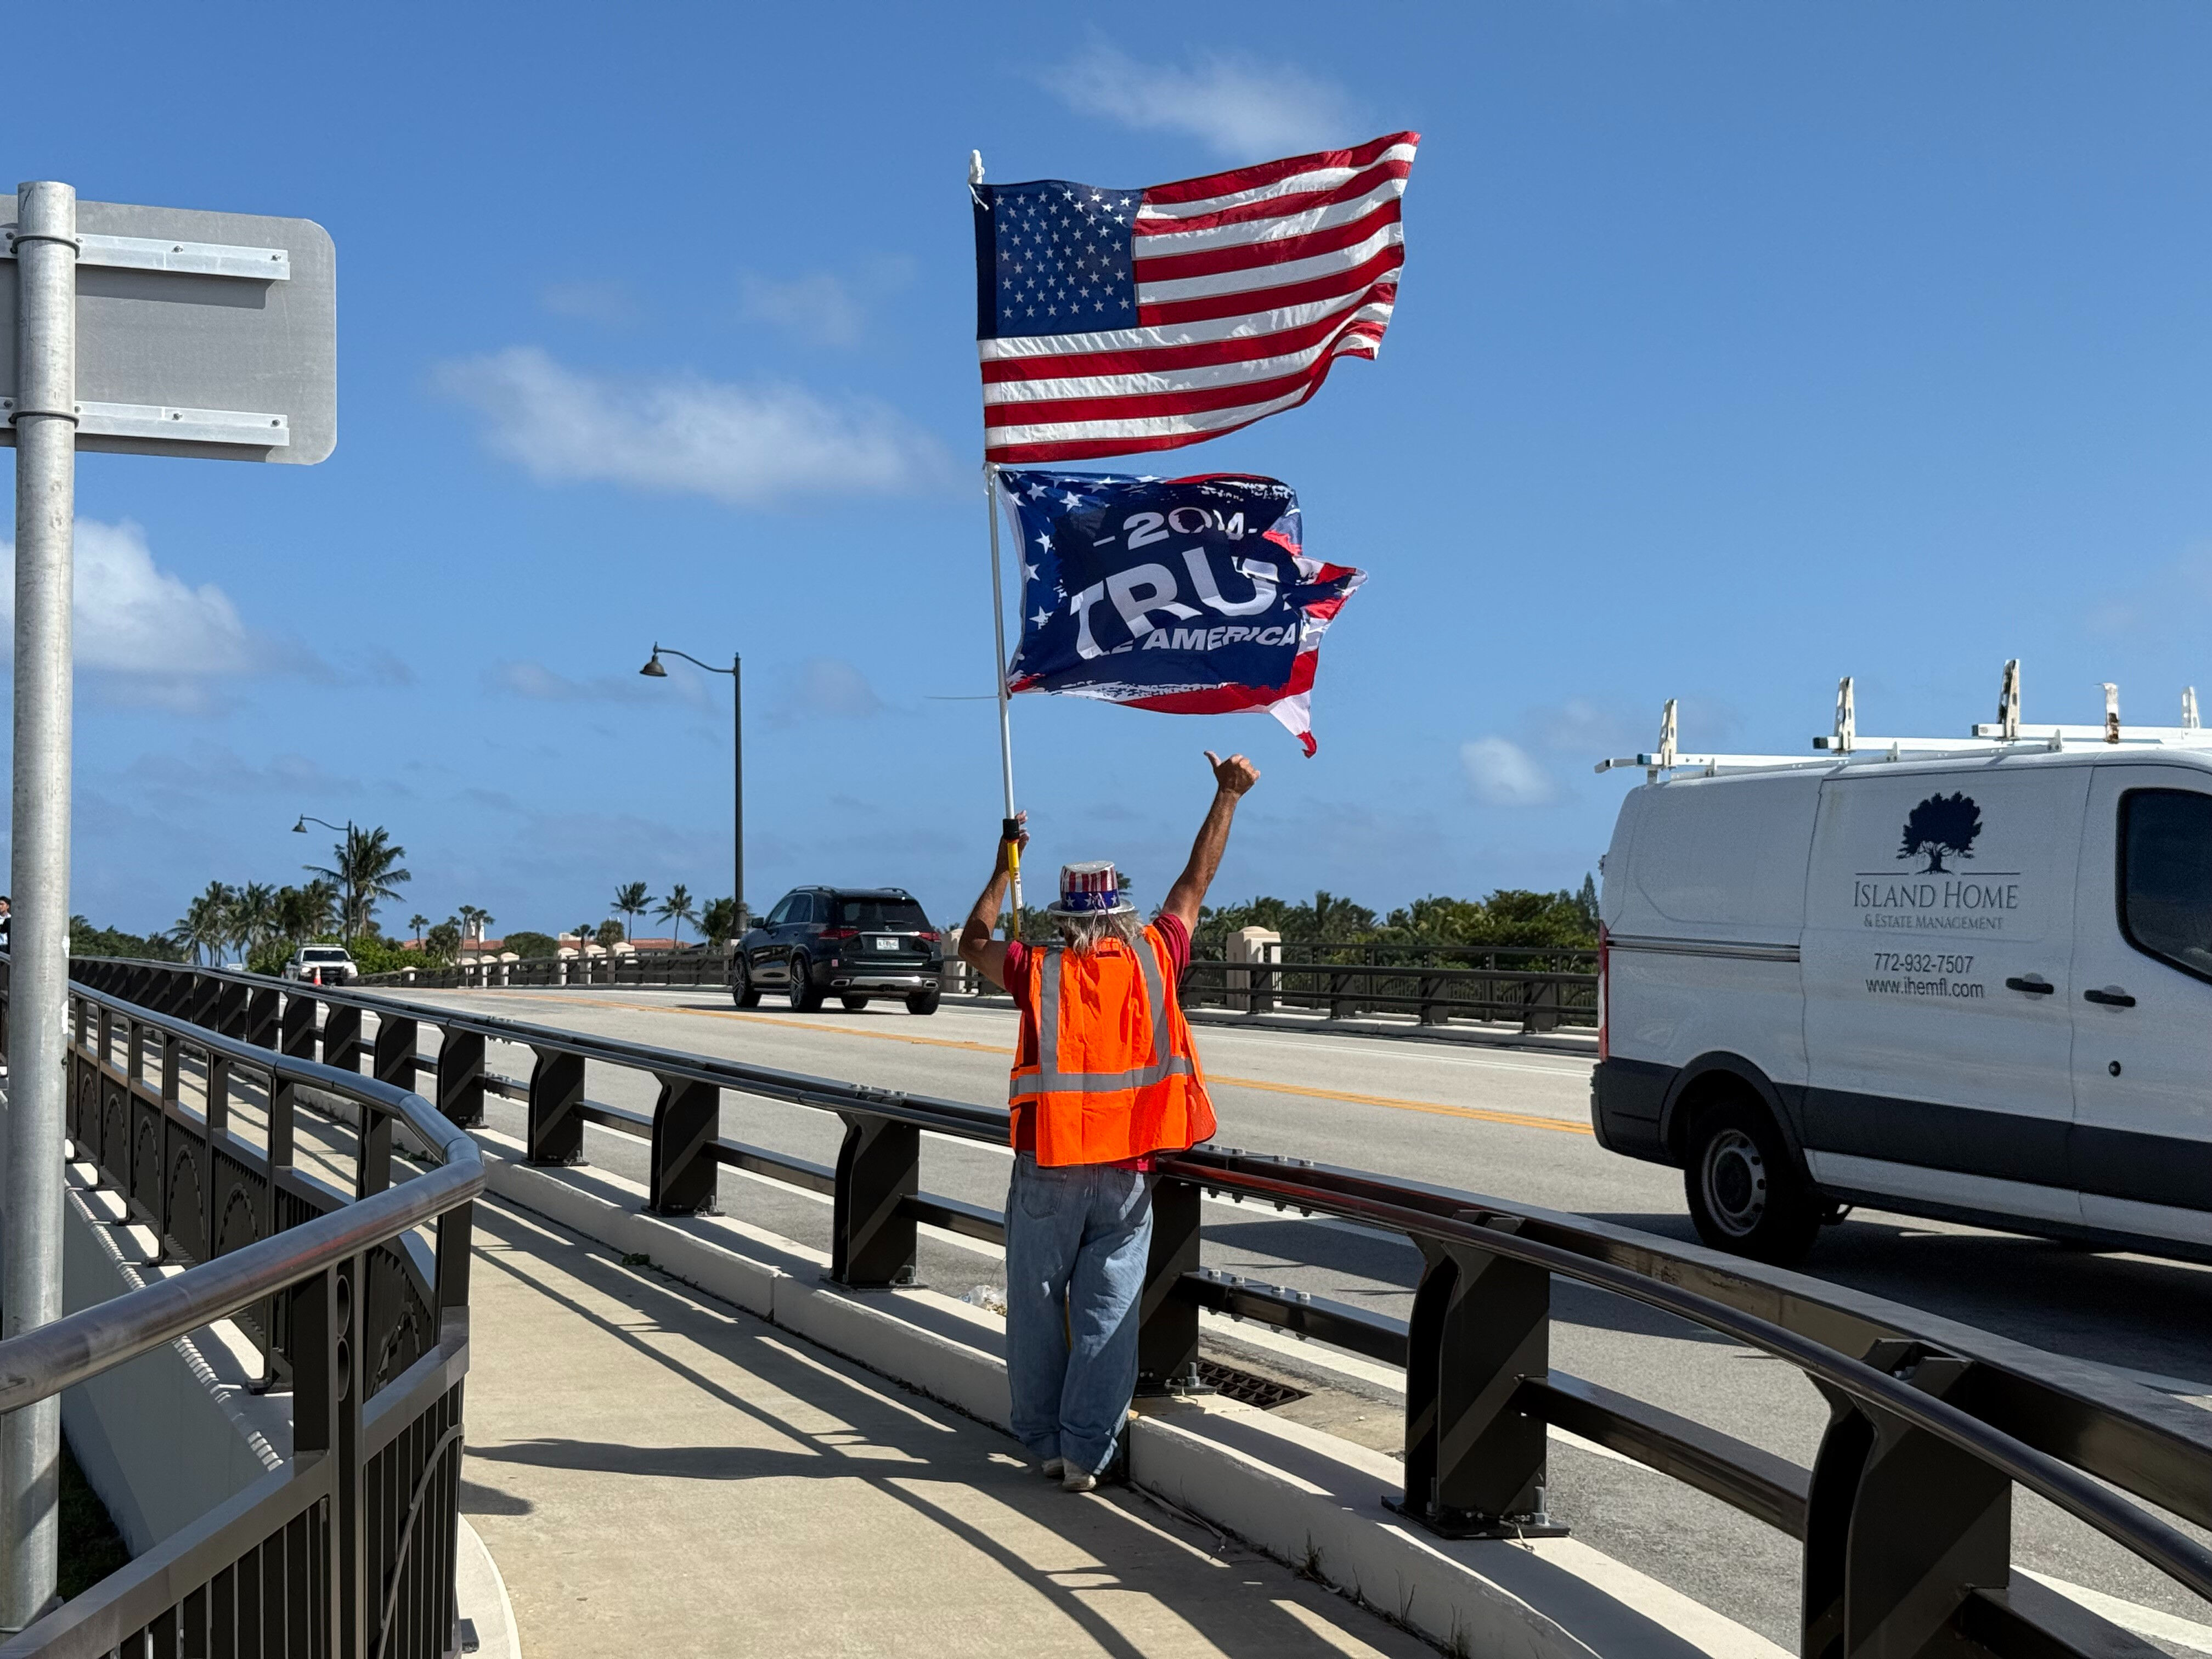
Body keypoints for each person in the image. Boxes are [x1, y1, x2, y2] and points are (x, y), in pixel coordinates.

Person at [959, 749, 1260, 1492]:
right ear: (1123, 913)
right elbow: (1197, 884)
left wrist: (1005, 864)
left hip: (1050, 1166)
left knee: (1034, 1310)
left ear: (1067, 920)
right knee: (1108, 1315)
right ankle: (1087, 1454)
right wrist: (1227, 796)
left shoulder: (1038, 969)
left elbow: (970, 943)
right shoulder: (1158, 956)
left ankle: (1042, 1443)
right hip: (1128, 1172)